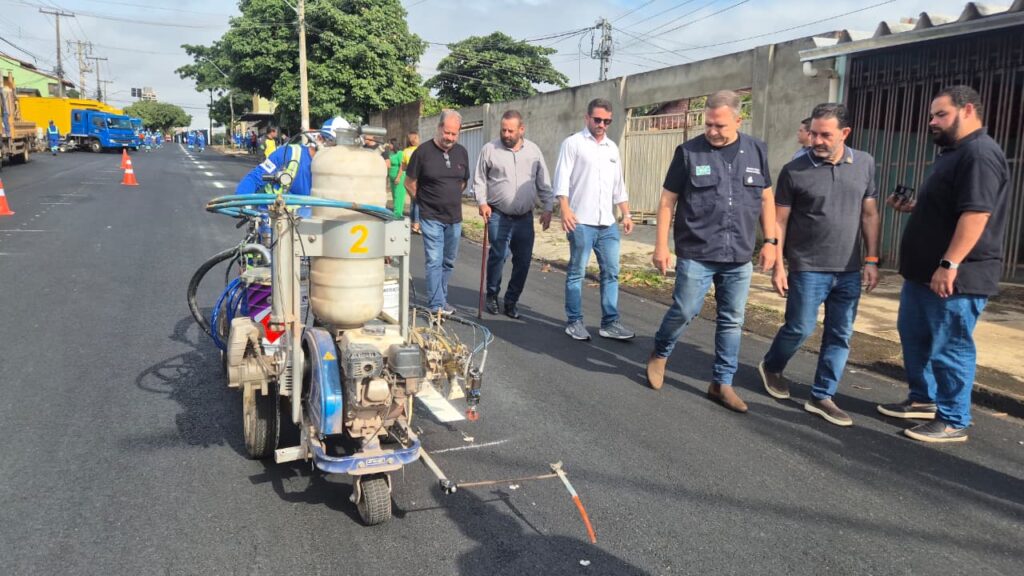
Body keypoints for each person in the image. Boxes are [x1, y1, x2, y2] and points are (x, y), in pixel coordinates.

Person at [878, 85, 1010, 443]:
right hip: (923, 275)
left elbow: (976, 213)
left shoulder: (980, 154)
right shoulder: (953, 153)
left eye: (941, 114)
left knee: (950, 346)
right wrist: (915, 207)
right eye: (932, 115)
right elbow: (950, 207)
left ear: (967, 110)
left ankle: (953, 419)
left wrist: (949, 263)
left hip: (957, 278)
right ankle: (924, 399)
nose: (932, 122)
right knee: (915, 337)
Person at [645, 90, 776, 413]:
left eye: (720, 126)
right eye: (709, 125)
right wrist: (661, 246)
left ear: (737, 119)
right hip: (696, 252)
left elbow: (766, 199)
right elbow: (666, 202)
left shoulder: (757, 150)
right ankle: (661, 352)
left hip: (738, 255)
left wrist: (771, 242)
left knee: (732, 320)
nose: (713, 132)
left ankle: (722, 383)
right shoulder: (689, 152)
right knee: (685, 310)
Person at [757, 103, 880, 426]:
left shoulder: (864, 163)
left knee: (840, 335)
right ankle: (772, 365)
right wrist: (779, 265)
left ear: (845, 133)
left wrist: (871, 259)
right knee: (800, 327)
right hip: (807, 266)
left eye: (825, 135)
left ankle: (822, 395)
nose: (816, 141)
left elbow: (869, 214)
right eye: (813, 133)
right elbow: (779, 221)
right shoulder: (794, 170)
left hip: (849, 269)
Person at [554, 98, 635, 342]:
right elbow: (562, 178)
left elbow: (618, 186)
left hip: (607, 223)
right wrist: (565, 209)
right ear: (587, 118)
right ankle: (574, 321)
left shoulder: (612, 148)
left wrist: (627, 213)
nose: (602, 124)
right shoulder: (573, 144)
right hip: (581, 221)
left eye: (606, 121)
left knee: (611, 272)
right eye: (597, 119)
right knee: (577, 271)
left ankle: (610, 323)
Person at [475, 109, 554, 319]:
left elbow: (543, 181)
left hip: (524, 219)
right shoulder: (489, 149)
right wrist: (482, 203)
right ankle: (492, 295)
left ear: (521, 129)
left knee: (523, 261)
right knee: (498, 256)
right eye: (503, 130)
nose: (506, 134)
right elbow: (480, 180)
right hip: (498, 215)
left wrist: (548, 207)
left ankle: (511, 301)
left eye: (510, 131)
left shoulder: (534, 151)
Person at [405, 110, 470, 315]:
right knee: (434, 260)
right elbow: (409, 183)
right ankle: (435, 305)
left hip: (454, 218)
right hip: (431, 217)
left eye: (454, 134)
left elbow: (463, 182)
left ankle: (441, 299)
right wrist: (424, 202)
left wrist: (448, 197)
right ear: (439, 127)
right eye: (447, 132)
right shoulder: (422, 152)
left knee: (448, 261)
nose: (449, 138)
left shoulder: (462, 152)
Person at [397, 131, 421, 232]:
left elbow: (403, 167)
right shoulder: (420, 150)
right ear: (415, 139)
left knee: (412, 201)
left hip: (409, 178)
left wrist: (398, 177)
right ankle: (416, 224)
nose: (419, 139)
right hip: (419, 178)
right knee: (418, 202)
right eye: (418, 138)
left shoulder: (405, 151)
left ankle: (412, 223)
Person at [386, 138, 406, 218]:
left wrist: (398, 177)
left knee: (398, 196)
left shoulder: (400, 153)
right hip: (391, 178)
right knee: (394, 196)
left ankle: (398, 213)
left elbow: (402, 166)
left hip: (399, 177)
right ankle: (396, 212)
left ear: (394, 144)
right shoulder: (390, 154)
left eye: (390, 144)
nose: (389, 145)